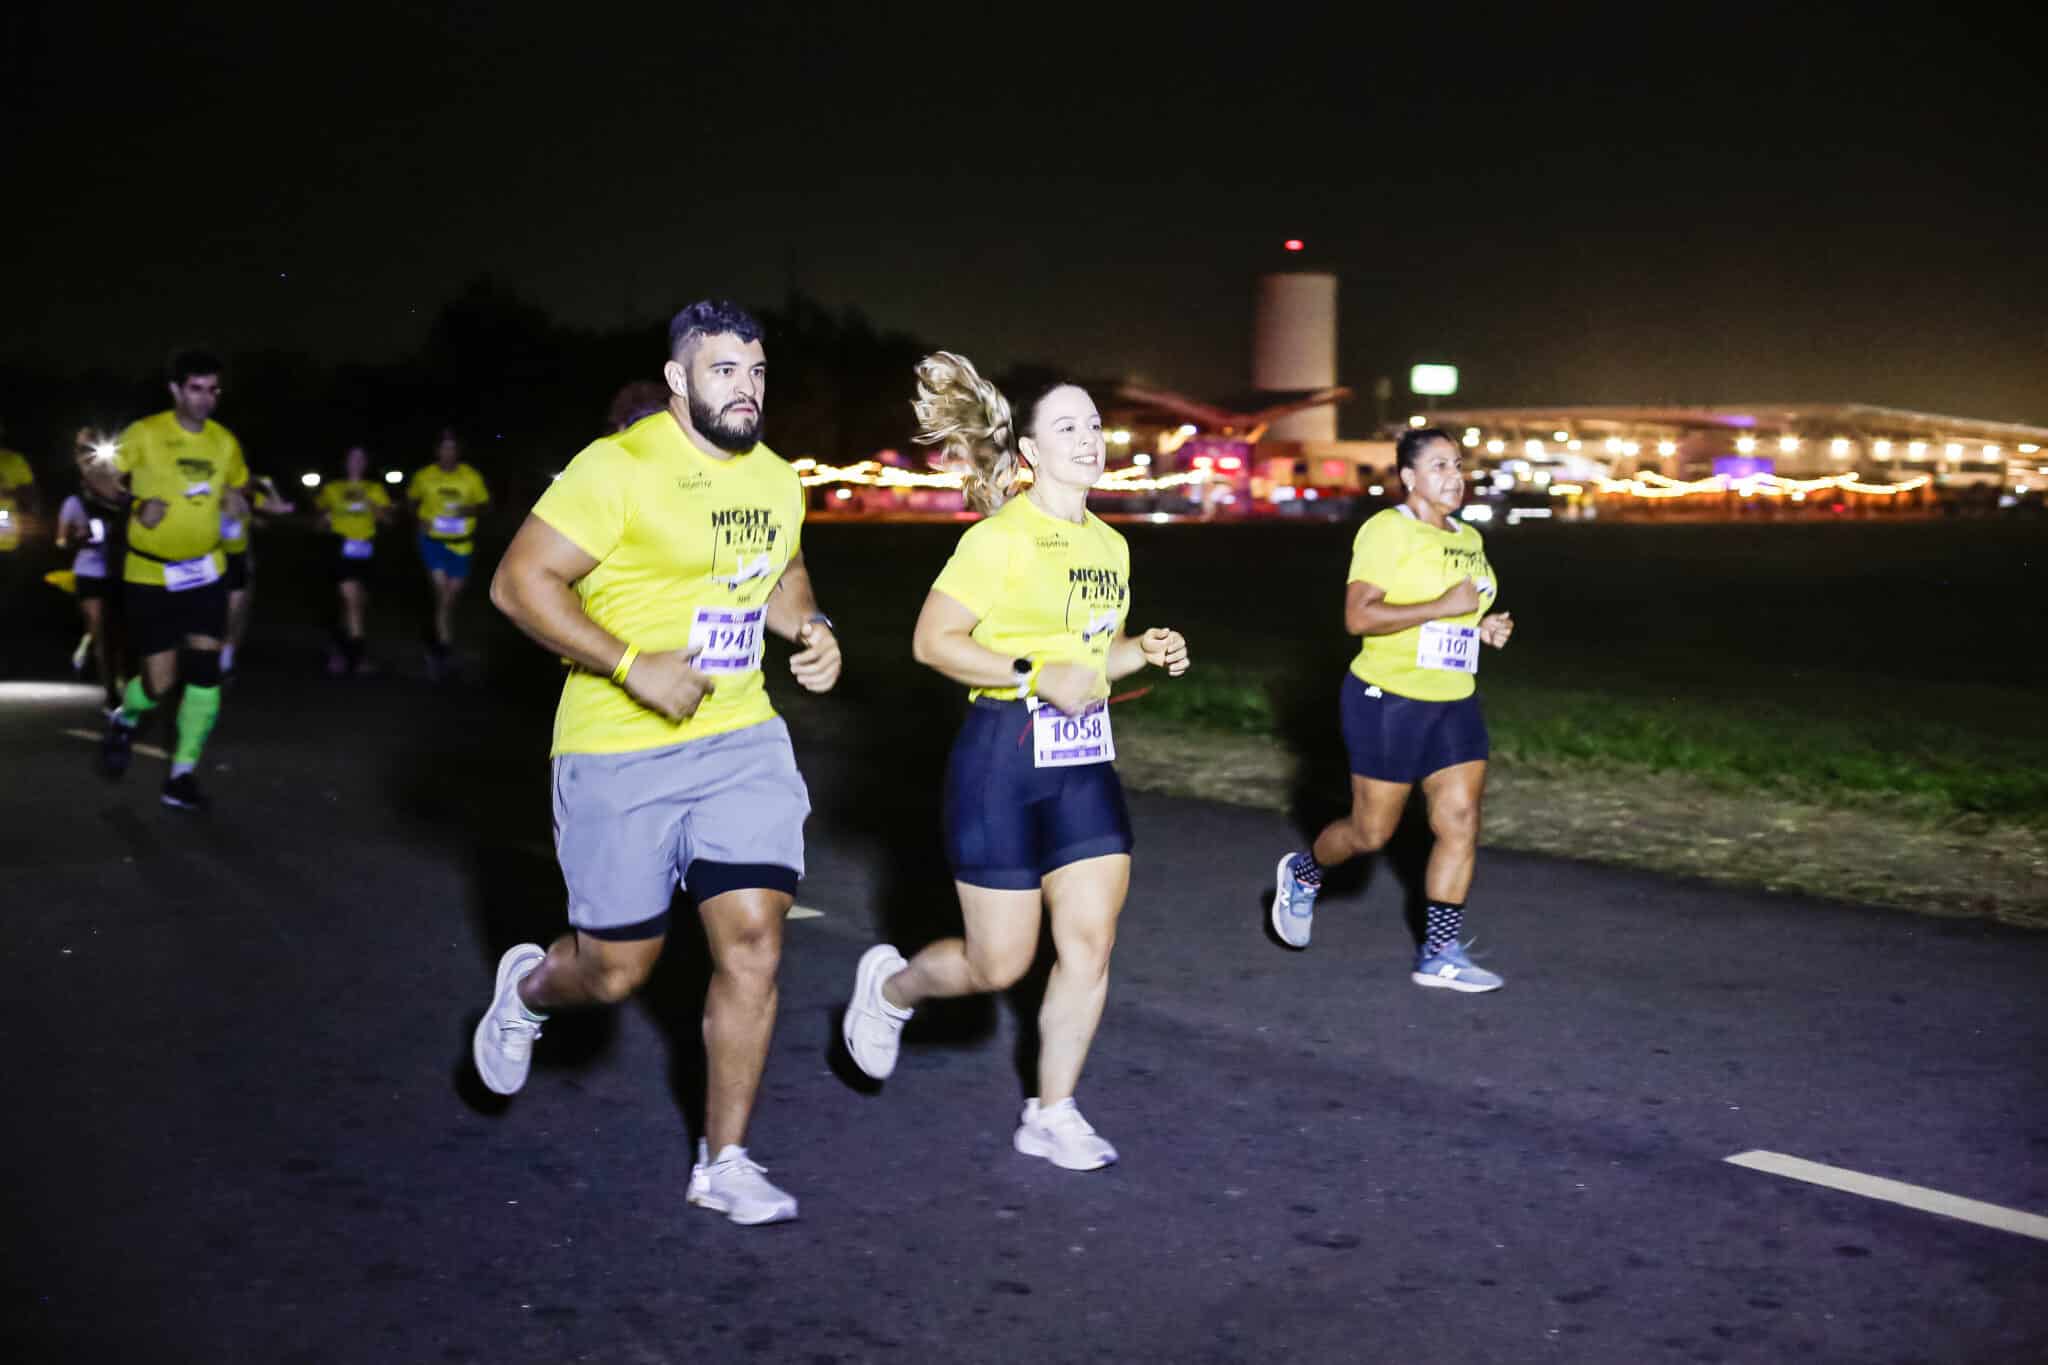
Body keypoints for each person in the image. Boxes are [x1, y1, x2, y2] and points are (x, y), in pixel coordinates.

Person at [476, 300, 842, 1225]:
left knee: (755, 936)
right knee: (615, 970)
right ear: (679, 379)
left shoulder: (773, 477)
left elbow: (782, 573)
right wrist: (635, 667)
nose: (746, 388)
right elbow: (518, 583)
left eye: (757, 371)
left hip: (741, 736)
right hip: (617, 748)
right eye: (724, 370)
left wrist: (813, 626)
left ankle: (725, 1160)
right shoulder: (618, 467)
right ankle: (527, 991)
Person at [839, 352, 1189, 1171]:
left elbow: (1088, 660)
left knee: (1091, 941)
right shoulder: (998, 540)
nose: (1090, 439)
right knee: (1000, 963)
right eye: (1067, 426)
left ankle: (1052, 1109)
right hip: (1002, 758)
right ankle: (892, 989)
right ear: (1028, 452)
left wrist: (1144, 647)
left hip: (1083, 764)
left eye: (1095, 424)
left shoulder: (1111, 546)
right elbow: (934, 643)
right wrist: (1035, 674)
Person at [1269, 426, 1514, 991]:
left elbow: (1456, 615)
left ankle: (1440, 953)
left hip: (1452, 700)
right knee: (1371, 832)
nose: (1454, 477)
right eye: (1439, 467)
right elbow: (1360, 618)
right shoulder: (1386, 531)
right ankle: (1304, 876)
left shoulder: (1469, 539)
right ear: (1408, 478)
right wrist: (1442, 606)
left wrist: (1481, 628)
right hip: (1388, 699)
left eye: (1458, 465)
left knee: (1459, 820)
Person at [95, 349, 250, 811]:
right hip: (150, 574)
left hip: (206, 572)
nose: (207, 399)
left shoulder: (224, 441)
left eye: (214, 389)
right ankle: (126, 717)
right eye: (197, 389)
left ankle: (182, 776)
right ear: (176, 390)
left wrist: (236, 501)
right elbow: (98, 475)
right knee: (159, 682)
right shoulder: (145, 433)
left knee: (205, 674)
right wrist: (133, 504)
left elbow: (238, 484)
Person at [407, 429, 490, 680]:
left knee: (449, 600)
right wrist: (418, 518)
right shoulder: (424, 476)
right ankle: (441, 653)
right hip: (433, 542)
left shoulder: (470, 476)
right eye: (443, 448)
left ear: (458, 452)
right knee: (442, 593)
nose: (447, 453)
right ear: (437, 451)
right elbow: (410, 501)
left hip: (462, 545)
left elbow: (486, 505)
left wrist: (472, 508)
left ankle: (438, 644)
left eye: (452, 449)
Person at [56, 429, 129, 710]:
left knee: (121, 632)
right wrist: (79, 537)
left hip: (119, 568)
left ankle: (123, 679)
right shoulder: (75, 501)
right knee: (102, 630)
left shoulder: (121, 491)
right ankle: (110, 691)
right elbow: (61, 540)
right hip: (90, 570)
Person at [314, 445, 394, 675]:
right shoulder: (332, 488)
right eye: (352, 458)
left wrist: (375, 508)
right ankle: (358, 658)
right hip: (340, 548)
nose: (356, 462)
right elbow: (317, 522)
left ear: (366, 463)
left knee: (356, 603)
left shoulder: (374, 488)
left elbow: (388, 520)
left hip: (366, 550)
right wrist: (324, 519)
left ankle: (338, 649)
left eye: (361, 458)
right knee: (350, 600)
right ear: (345, 461)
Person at [218, 470, 291, 682]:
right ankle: (209, 660)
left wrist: (268, 486)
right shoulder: (210, 493)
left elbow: (282, 509)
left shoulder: (248, 497)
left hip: (237, 562)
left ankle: (225, 660)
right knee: (211, 616)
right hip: (210, 561)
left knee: (233, 615)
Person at [0, 421, 39, 675]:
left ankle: (10, 657)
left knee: (8, 599)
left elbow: (30, 494)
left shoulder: (13, 460)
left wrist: (10, 492)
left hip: (7, 540)